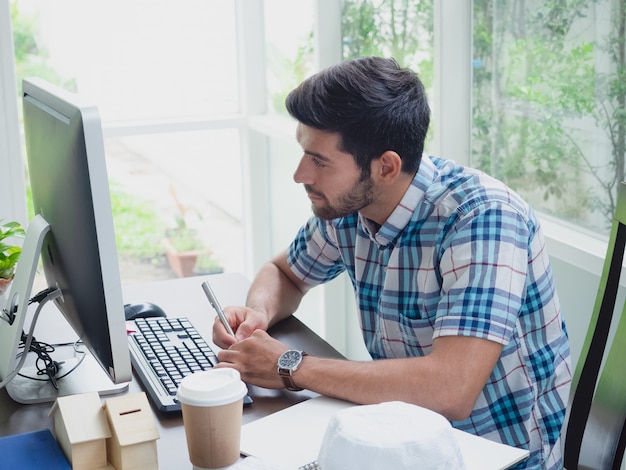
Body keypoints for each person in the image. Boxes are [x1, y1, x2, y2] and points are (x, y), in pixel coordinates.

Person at [212, 56, 571, 469]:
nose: (299, 174)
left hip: (494, 452)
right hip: (397, 438)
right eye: (303, 154)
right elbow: (284, 273)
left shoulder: (482, 218)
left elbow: (451, 389)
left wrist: (289, 365)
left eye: (320, 161)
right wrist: (258, 312)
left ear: (386, 167)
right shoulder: (350, 204)